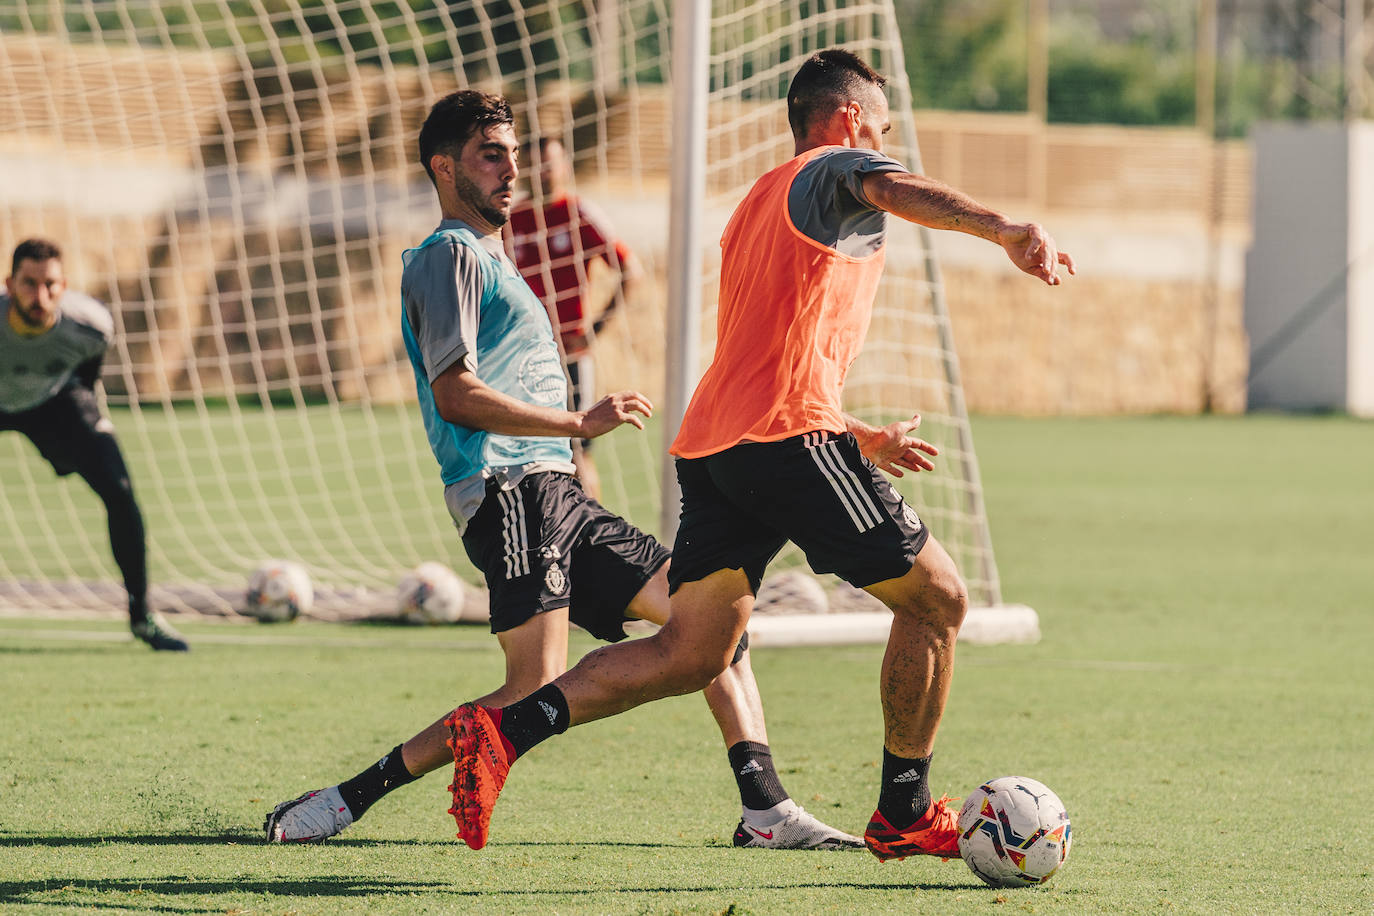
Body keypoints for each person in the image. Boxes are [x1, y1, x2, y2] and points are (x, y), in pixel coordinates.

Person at [443, 49, 1075, 859]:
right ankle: (905, 812)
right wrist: (1003, 228)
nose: (885, 144)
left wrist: (857, 437)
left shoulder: (758, 202)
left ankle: (504, 732)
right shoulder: (837, 165)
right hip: (785, 440)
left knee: (691, 652)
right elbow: (890, 187)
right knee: (939, 600)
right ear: (849, 122)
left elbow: (770, 352)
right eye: (881, 128)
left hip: (718, 447)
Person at [263, 90, 860, 851]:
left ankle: (766, 809)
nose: (512, 169)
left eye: (514, 153)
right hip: (509, 494)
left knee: (709, 626)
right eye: (491, 154)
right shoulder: (448, 259)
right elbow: (458, 394)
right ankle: (346, 799)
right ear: (444, 168)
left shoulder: (491, 258)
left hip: (557, 492)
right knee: (530, 691)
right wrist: (577, 422)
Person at [1, 238, 189, 652]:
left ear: (63, 285)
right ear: (9, 284)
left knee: (120, 492)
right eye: (29, 284)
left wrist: (77, 432)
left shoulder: (90, 326)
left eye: (50, 284)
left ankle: (142, 616)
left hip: (53, 399)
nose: (40, 295)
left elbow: (85, 377)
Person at [505, 135, 643, 499]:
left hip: (569, 355)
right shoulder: (510, 219)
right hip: (521, 355)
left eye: (550, 164)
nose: (543, 173)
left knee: (577, 447)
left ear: (564, 166)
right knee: (522, 451)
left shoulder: (579, 213)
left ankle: (589, 534)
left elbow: (630, 271)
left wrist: (594, 329)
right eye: (534, 165)